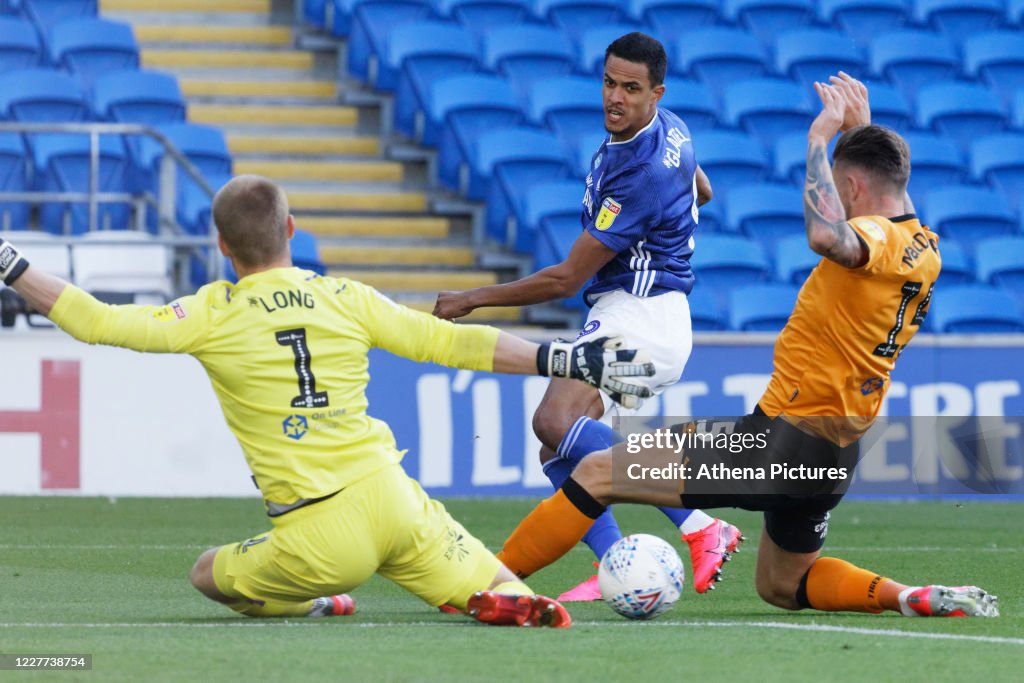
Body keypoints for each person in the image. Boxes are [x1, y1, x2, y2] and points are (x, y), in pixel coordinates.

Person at [0, 174, 660, 629]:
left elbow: (92, 319)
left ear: (223, 246)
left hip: (317, 532)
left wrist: (11, 264)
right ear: (291, 227)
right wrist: (559, 357)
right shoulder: (345, 296)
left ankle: (315, 603)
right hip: (398, 503)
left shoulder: (210, 313)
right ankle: (497, 597)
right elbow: (445, 342)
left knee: (209, 573)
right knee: (506, 591)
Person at [487, 74, 1001, 618]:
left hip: (778, 443)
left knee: (596, 474)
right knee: (782, 585)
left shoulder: (872, 240)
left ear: (850, 189)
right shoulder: (926, 248)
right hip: (835, 455)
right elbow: (882, 187)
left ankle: (485, 581)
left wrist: (817, 141)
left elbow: (828, 235)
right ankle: (907, 595)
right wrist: (862, 132)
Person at [433, 32, 742, 601]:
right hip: (652, 312)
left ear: (656, 92)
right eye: (609, 82)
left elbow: (565, 279)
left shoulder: (641, 173)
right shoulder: (671, 125)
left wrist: (470, 298)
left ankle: (701, 523)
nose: (615, 98)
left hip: (640, 314)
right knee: (558, 447)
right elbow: (705, 189)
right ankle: (617, 565)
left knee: (553, 422)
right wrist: (672, 223)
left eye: (630, 89)